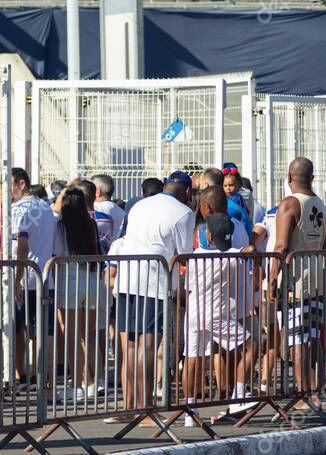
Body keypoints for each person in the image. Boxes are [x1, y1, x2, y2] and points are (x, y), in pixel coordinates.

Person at [106, 171, 195, 425]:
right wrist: (182, 290)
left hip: (126, 279)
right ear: (187, 193)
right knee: (146, 346)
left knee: (130, 346)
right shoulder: (184, 213)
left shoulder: (139, 205)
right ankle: (146, 409)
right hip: (152, 284)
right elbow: (183, 255)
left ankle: (130, 405)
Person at [267, 158, 326, 403]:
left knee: (297, 339)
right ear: (311, 178)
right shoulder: (320, 204)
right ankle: (316, 391)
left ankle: (304, 394)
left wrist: (273, 276)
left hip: (295, 281)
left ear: (289, 177)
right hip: (315, 277)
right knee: (313, 336)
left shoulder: (289, 204)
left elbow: (281, 245)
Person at [182, 213, 254, 423]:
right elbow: (247, 250)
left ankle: (190, 409)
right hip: (215, 314)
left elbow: (188, 286)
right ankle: (239, 394)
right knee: (253, 345)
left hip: (194, 313)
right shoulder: (229, 255)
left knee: (192, 359)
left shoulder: (195, 255)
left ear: (208, 234)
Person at [51, 185, 103, 402]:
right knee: (89, 335)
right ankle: (95, 381)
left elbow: (57, 255)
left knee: (72, 336)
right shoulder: (90, 223)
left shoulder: (61, 226)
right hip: (91, 279)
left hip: (69, 279)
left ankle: (78, 385)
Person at [10, 167, 57, 389]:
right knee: (42, 329)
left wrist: (17, 278)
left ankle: (22, 377)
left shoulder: (21, 208)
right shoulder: (44, 207)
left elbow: (22, 244)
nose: (6, 190)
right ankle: (42, 377)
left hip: (27, 278)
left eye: (8, 184)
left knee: (17, 327)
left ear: (21, 184)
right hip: (45, 276)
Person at [72, 178, 115, 252]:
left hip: (82, 261)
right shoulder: (108, 219)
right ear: (95, 196)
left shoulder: (76, 219)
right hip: (102, 260)